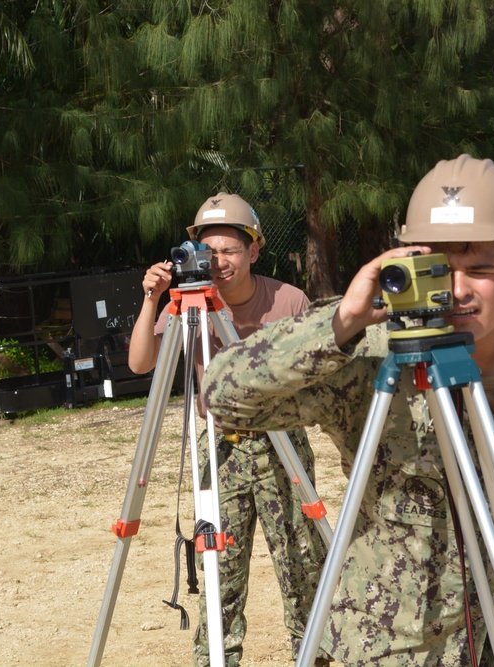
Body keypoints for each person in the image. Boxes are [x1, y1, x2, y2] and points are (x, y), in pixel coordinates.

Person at [202, 156, 494, 667]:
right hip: (392, 641)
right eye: (440, 270)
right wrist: (340, 324)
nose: (459, 289)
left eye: (479, 269)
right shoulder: (370, 356)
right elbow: (223, 395)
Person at [128, 193, 329, 667]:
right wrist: (152, 297)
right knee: (218, 572)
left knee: (302, 569)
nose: (217, 262)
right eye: (207, 250)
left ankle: (314, 655)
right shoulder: (189, 305)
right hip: (221, 447)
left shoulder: (289, 300)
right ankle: (216, 657)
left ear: (254, 251)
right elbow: (140, 363)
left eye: (230, 250)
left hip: (283, 444)